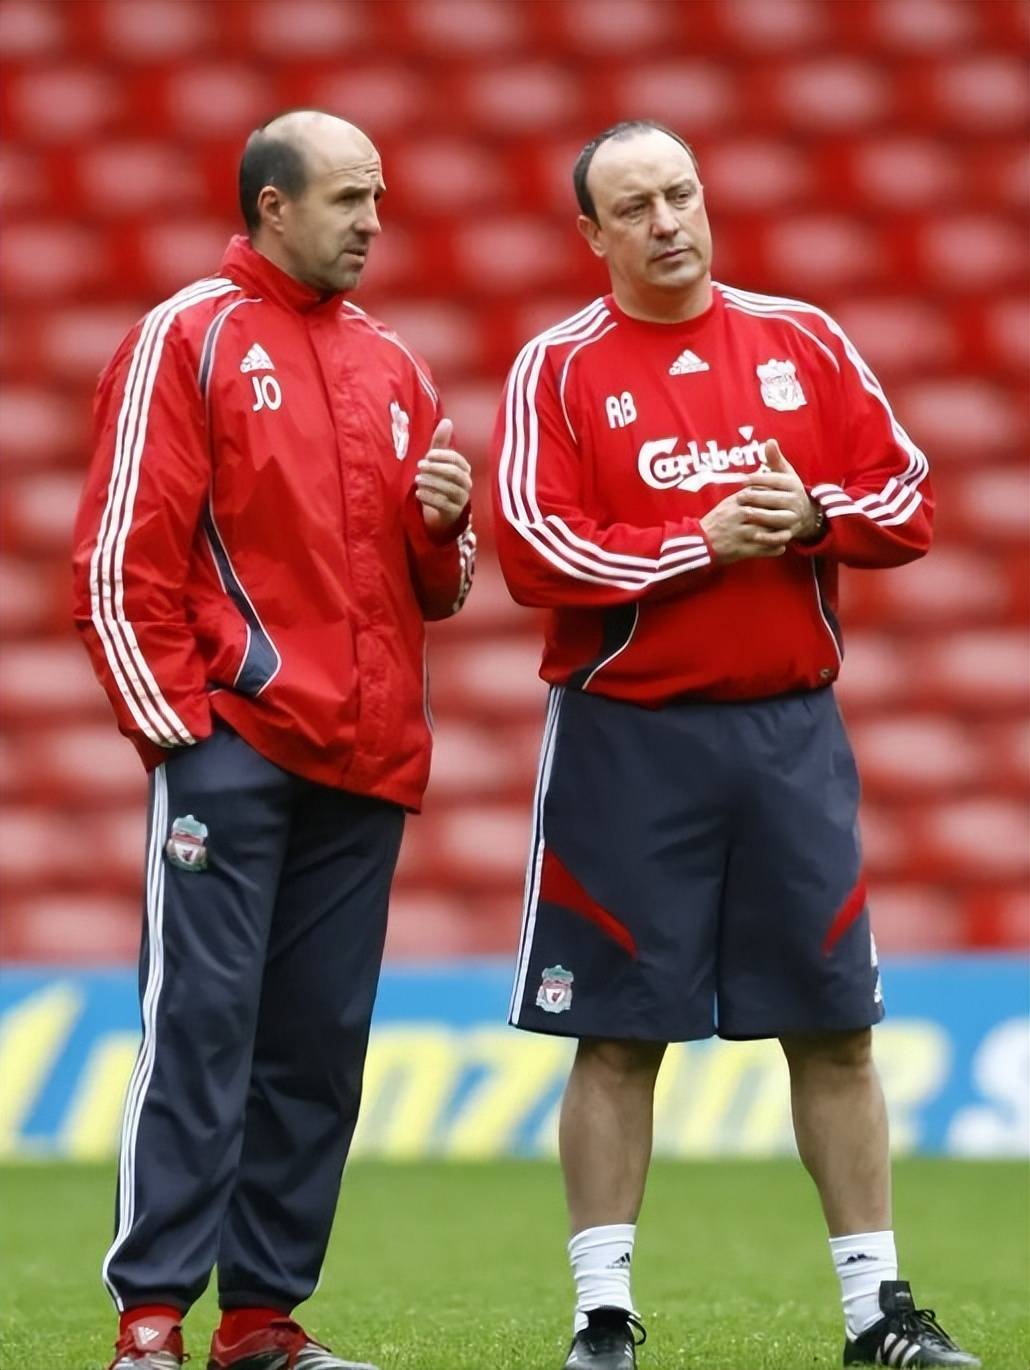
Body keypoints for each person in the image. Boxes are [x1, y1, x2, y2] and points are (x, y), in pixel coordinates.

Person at [491, 120, 978, 1370]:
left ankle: (876, 1311)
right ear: (591, 234)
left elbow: (909, 496)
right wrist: (697, 540)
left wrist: (812, 512)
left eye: (681, 193)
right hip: (625, 737)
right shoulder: (558, 367)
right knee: (617, 1034)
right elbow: (534, 546)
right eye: (634, 206)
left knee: (836, 1026)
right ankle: (602, 1315)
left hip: (786, 732)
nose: (667, 221)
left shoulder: (802, 339)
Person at [72, 110, 475, 1370]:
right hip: (235, 742)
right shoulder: (185, 336)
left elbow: (436, 585)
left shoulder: (395, 364)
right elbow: (120, 553)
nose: (371, 222)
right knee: (201, 1028)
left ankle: (260, 1318)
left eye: (379, 197)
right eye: (348, 197)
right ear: (271, 205)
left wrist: (440, 531)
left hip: (365, 759)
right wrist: (181, 735)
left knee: (316, 1049)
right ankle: (150, 1315)